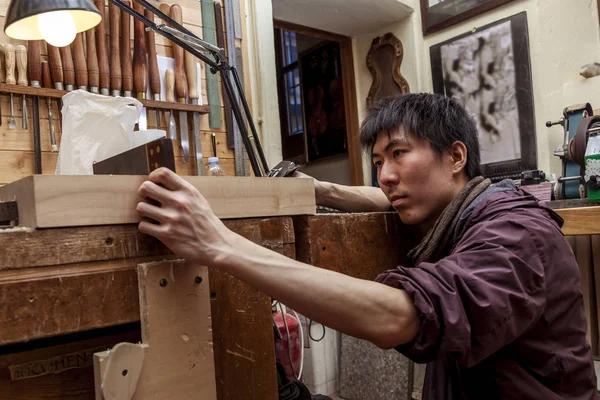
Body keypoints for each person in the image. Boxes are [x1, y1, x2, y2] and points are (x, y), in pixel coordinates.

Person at [135, 93, 597, 399]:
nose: (385, 175)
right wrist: (321, 190)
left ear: (455, 156)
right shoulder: (466, 204)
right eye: (378, 161)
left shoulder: (518, 234)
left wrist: (218, 243)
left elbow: (400, 316)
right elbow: (391, 197)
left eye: (399, 154)